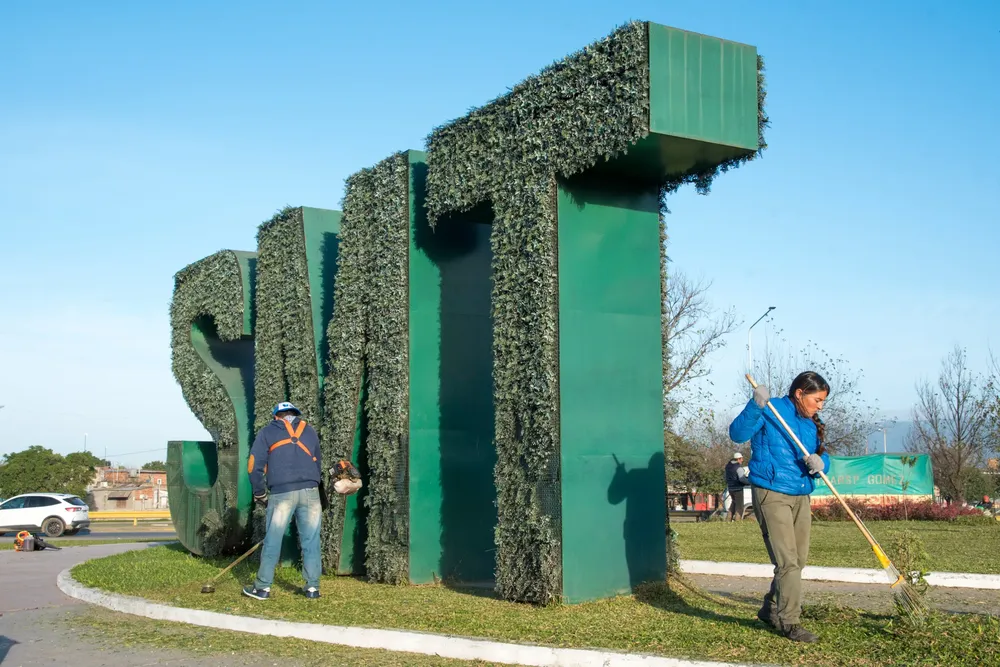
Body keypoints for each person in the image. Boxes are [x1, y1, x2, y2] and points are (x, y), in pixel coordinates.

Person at [729, 371, 831, 643]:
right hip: (771, 492)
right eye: (817, 400)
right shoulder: (770, 408)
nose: (820, 406)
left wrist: (823, 464)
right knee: (787, 562)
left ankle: (770, 608)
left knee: (799, 560)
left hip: (801, 494)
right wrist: (755, 405)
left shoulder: (810, 424)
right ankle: (790, 622)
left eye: (823, 401)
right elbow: (737, 434)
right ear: (800, 393)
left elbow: (822, 454)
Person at [243, 401, 324, 601]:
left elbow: (254, 465)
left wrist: (259, 492)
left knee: (273, 540)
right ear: (295, 415)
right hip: (311, 492)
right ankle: (312, 588)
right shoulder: (310, 431)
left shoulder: (267, 432)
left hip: (282, 494)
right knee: (311, 541)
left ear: (275, 417)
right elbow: (318, 461)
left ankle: (262, 588)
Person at [724, 453, 751, 521]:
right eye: (741, 459)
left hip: (730, 488)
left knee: (733, 503)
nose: (742, 460)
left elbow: (725, 477)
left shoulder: (728, 467)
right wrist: (749, 482)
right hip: (738, 488)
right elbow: (742, 479)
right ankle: (737, 520)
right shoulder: (738, 468)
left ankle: (728, 519)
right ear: (738, 459)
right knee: (739, 506)